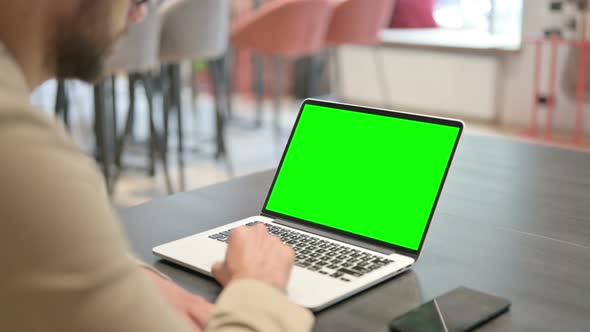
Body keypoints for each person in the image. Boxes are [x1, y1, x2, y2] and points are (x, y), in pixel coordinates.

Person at [0, 1, 313, 331]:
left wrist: (125, 277)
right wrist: (258, 287)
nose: (141, 14)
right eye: (137, 0)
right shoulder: (24, 152)